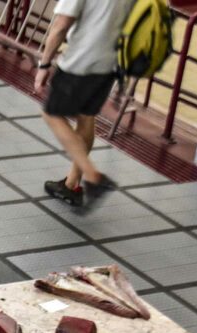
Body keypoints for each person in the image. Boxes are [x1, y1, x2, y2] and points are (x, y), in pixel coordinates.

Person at [33, 0, 132, 208]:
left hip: (81, 61)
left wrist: (44, 64)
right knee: (85, 116)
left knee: (51, 114)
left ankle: (93, 176)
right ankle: (71, 185)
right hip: (110, 63)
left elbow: (61, 25)